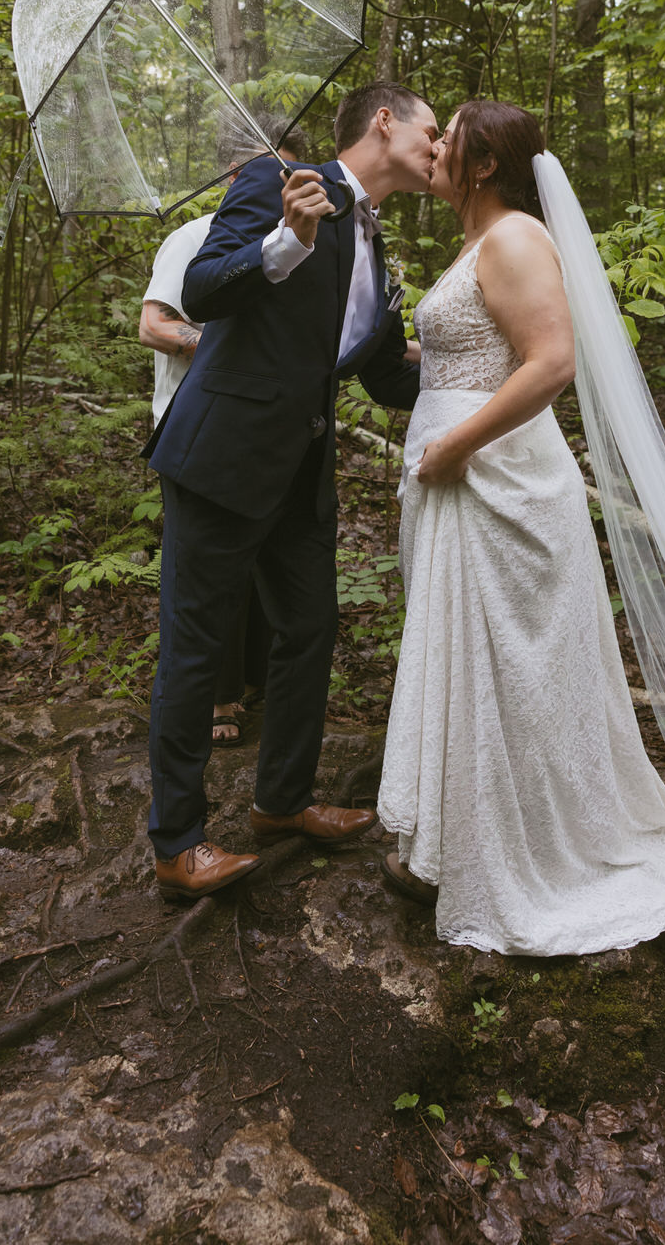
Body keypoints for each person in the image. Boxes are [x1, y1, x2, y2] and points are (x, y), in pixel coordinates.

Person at [377, 100, 665, 953]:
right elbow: (474, 351)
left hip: (494, 478)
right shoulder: (474, 244)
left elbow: (549, 362)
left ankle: (520, 852)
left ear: (480, 167)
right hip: (462, 476)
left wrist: (451, 449)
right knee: (467, 656)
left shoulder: (512, 237)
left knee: (512, 663)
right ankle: (448, 837)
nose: (433, 146)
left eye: (450, 136)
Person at [143, 83, 437, 902]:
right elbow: (201, 291)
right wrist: (286, 238)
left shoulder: (377, 246)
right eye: (432, 129)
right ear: (386, 122)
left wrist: (499, 377)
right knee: (198, 648)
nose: (440, 146)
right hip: (221, 460)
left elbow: (382, 375)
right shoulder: (275, 184)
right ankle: (177, 845)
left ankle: (282, 804)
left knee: (307, 631)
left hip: (301, 472)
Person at [138, 133, 307, 744]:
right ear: (234, 177)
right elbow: (153, 324)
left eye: (290, 172)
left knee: (266, 563)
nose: (277, 183)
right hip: (196, 424)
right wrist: (227, 349)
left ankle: (253, 680)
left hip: (270, 428)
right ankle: (214, 698)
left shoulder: (301, 243)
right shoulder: (191, 238)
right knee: (210, 573)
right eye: (263, 173)